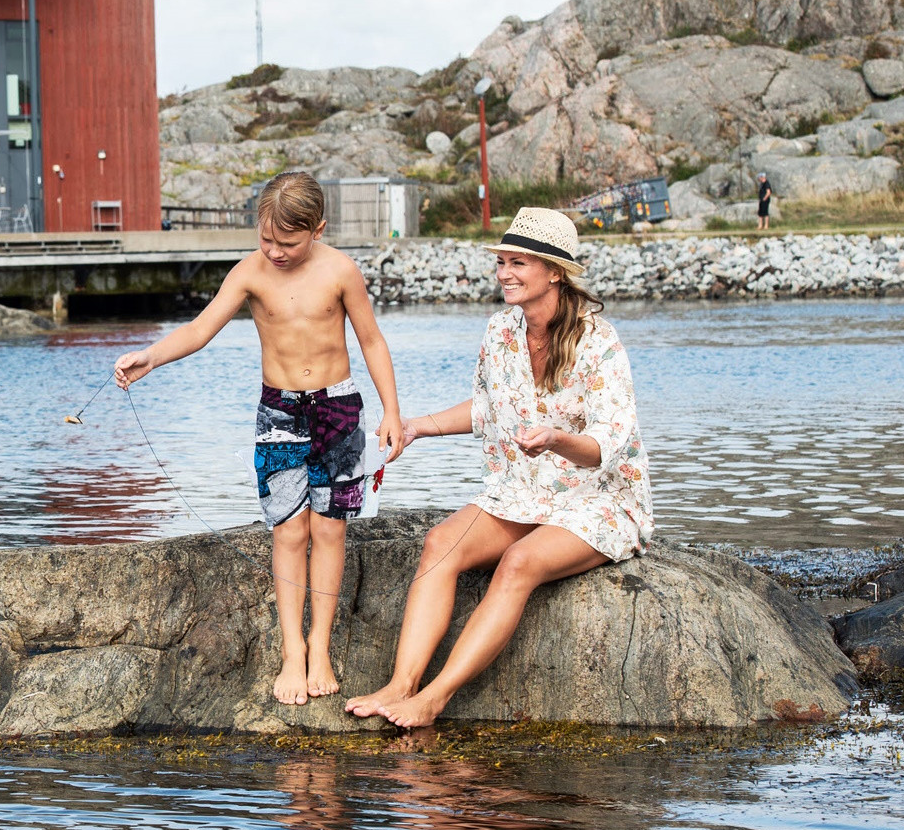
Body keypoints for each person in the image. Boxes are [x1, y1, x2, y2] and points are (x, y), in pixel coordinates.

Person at [347, 207, 652, 730]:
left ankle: (434, 698)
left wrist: (556, 439)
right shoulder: (501, 330)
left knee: (517, 563)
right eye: (501, 262)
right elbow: (488, 409)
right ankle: (400, 685)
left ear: (554, 272)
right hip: (523, 492)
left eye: (518, 263)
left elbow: (608, 444)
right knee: (440, 543)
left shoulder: (598, 341)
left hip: (598, 501)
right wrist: (417, 426)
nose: (505, 274)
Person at [113, 171, 404, 706]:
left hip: (338, 409)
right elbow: (199, 329)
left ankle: (320, 646)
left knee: (330, 530)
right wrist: (150, 357)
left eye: (287, 242)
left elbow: (372, 341)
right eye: (266, 239)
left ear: (318, 229)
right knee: (289, 532)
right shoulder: (250, 272)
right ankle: (293, 650)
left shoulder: (341, 271)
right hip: (279, 414)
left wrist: (392, 411)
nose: (274, 251)